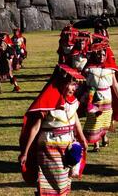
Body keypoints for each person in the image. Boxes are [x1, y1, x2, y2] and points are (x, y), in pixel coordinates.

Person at [19, 65, 88, 196]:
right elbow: (35, 127)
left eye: (75, 85)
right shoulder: (47, 101)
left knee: (65, 181)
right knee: (55, 182)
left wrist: (82, 139)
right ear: (62, 82)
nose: (74, 88)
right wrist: (25, 152)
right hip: (50, 146)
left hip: (67, 145)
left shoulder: (73, 101)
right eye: (71, 84)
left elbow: (75, 120)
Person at [82, 42, 118, 152]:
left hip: (107, 99)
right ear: (94, 55)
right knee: (93, 121)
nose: (100, 57)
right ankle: (96, 144)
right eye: (98, 55)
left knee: (105, 121)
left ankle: (104, 137)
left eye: (103, 55)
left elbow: (115, 84)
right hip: (93, 99)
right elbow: (84, 84)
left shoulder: (110, 70)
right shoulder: (89, 70)